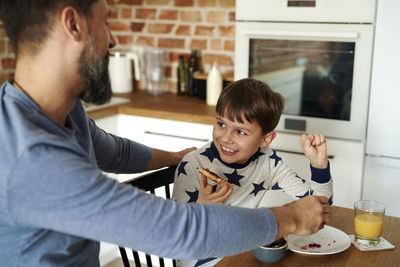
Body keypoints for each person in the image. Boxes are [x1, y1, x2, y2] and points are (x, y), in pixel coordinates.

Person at [0, 1, 332, 266]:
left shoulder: (63, 110)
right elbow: (181, 231)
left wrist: (175, 158)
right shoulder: (30, 158)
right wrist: (289, 218)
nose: (113, 40)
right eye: (106, 22)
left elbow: (113, 151)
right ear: (73, 24)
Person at [172, 78, 333, 267]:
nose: (225, 138)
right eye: (221, 124)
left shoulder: (268, 162)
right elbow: (176, 234)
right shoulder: (193, 164)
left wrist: (319, 166)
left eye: (240, 132)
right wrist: (201, 206)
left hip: (241, 253)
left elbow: (320, 208)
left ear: (266, 139)